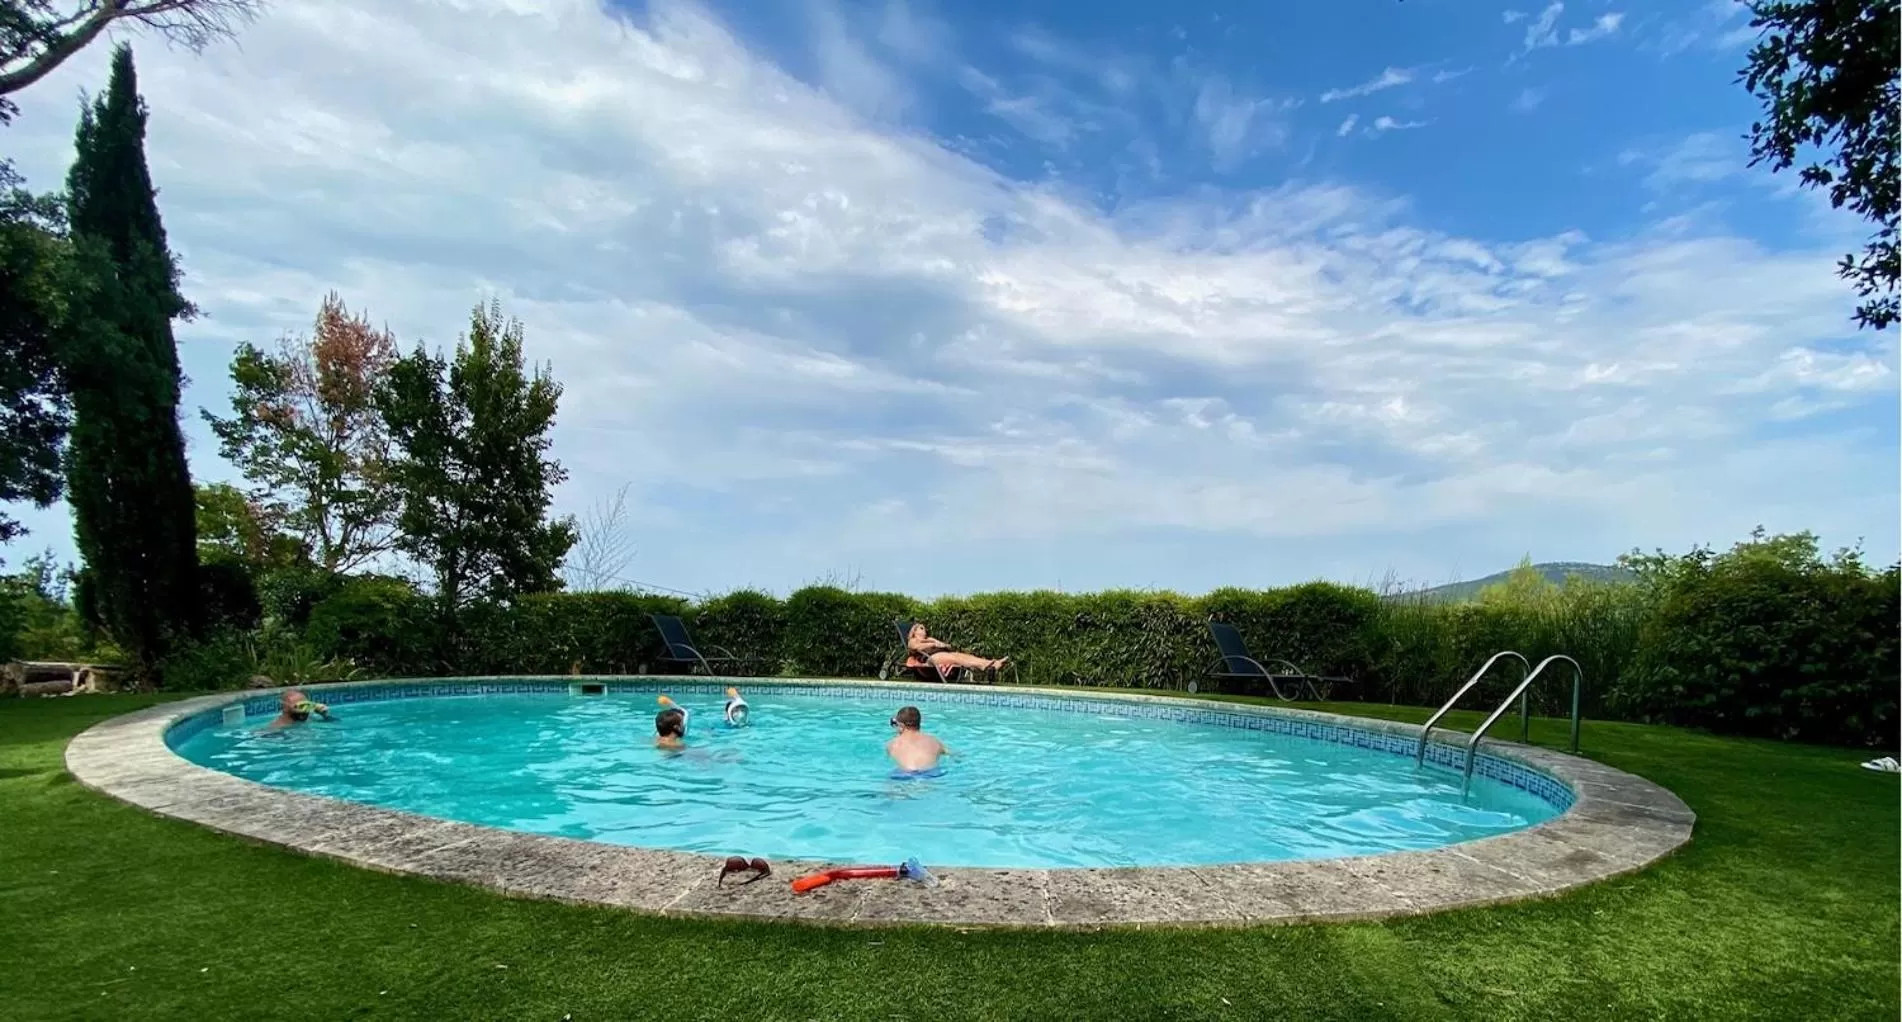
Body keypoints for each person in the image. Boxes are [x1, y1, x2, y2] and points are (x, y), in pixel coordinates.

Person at [905, 623, 1008, 680]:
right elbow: (918, 648)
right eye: (921, 628)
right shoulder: (912, 641)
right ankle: (983, 666)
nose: (924, 630)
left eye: (924, 628)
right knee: (955, 659)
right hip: (929, 658)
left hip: (941, 654)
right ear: (914, 631)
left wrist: (939, 643)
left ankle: (992, 664)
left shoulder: (930, 638)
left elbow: (946, 645)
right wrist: (932, 643)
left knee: (962, 656)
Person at [886, 705, 949, 775]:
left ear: (901, 725)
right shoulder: (935, 742)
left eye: (895, 724)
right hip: (930, 774)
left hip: (904, 775)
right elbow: (954, 755)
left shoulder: (892, 744)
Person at [266, 689, 333, 730]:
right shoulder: (277, 728)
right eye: (301, 706)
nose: (305, 710)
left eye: (307, 705)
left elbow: (334, 723)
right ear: (285, 708)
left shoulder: (309, 719)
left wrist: (324, 715)